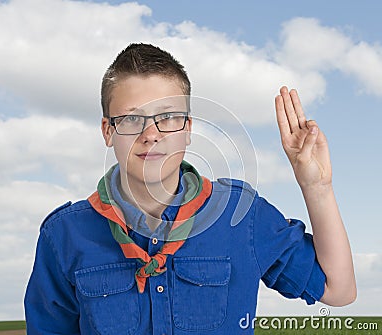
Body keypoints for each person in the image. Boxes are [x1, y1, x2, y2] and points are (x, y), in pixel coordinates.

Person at [24, 43, 356, 335]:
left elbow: (337, 290)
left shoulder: (242, 216)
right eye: (130, 119)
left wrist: (317, 185)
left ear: (188, 128)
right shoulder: (63, 234)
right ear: (108, 131)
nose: (151, 134)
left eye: (167, 117)